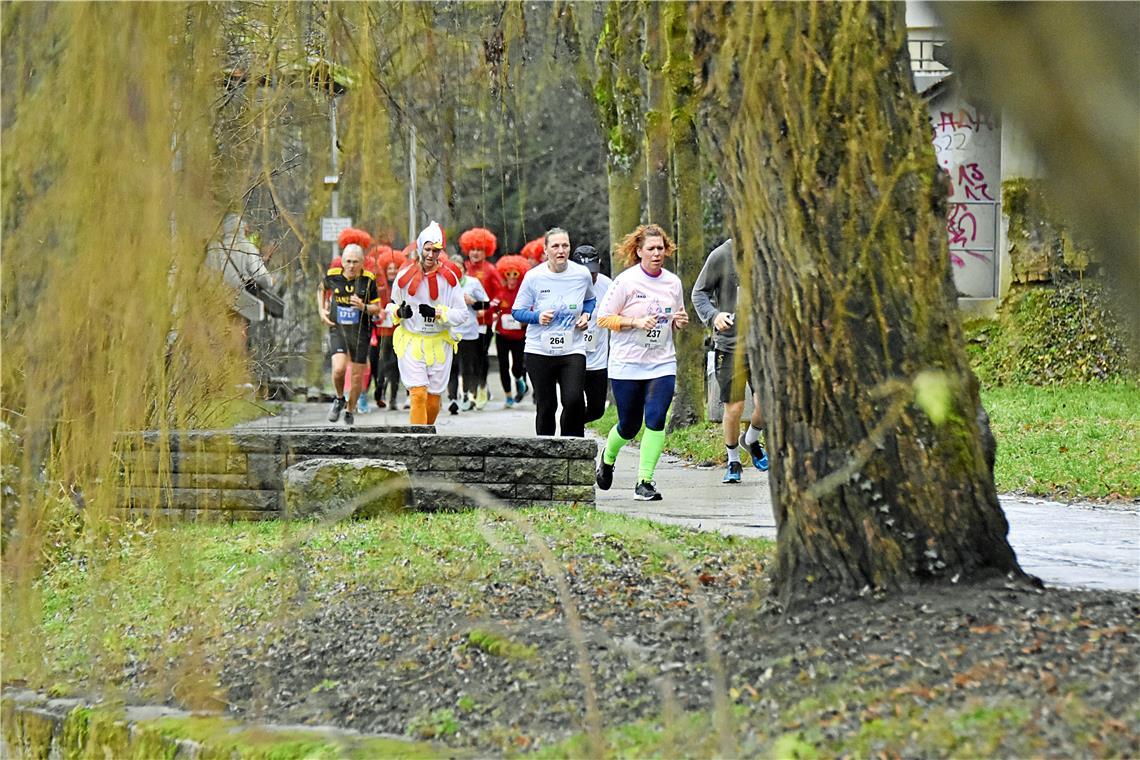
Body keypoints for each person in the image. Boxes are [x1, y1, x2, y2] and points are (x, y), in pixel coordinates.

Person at [595, 224, 688, 501]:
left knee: (657, 419)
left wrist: (679, 322)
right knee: (629, 425)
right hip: (627, 363)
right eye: (651, 248)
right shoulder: (626, 282)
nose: (657, 253)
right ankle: (608, 456)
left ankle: (644, 481)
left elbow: (676, 315)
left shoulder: (673, 283)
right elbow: (603, 318)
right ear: (639, 251)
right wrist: (635, 322)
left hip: (661, 362)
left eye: (661, 248)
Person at [691, 238, 769, 484]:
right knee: (734, 407)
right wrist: (714, 316)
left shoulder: (770, 249)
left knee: (768, 403)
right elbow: (699, 293)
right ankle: (733, 459)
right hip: (730, 345)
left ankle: (752, 440)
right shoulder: (722, 255)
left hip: (763, 344)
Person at [511, 228, 595, 437]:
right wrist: (537, 317)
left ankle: (572, 450)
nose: (561, 250)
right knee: (547, 405)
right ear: (545, 250)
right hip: (539, 349)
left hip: (572, 348)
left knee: (574, 400)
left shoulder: (581, 274)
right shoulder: (534, 277)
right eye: (555, 246)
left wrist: (586, 315)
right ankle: (546, 456)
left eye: (565, 245)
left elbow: (590, 300)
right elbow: (517, 311)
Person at [388, 221, 469, 425]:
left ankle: (427, 436)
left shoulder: (449, 279)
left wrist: (438, 313)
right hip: (412, 343)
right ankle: (416, 444)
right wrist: (399, 312)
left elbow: (462, 315)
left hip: (438, 345)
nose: (431, 255)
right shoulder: (403, 277)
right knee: (418, 394)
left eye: (436, 250)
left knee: (433, 401)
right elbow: (390, 306)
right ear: (420, 248)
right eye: (428, 249)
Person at [320, 240, 382, 426]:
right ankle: (339, 398)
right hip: (338, 329)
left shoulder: (368, 279)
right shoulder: (333, 275)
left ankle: (350, 409)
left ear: (362, 262)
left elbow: (377, 308)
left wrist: (363, 306)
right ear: (342, 261)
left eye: (355, 262)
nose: (351, 266)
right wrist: (322, 310)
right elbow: (321, 289)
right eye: (348, 261)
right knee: (338, 368)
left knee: (356, 377)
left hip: (360, 332)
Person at [459, 227, 503, 409]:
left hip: (484, 323)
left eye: (480, 249)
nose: (475, 253)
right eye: (473, 249)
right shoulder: (463, 269)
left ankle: (482, 386)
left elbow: (500, 293)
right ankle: (470, 392)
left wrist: (488, 309)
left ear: (487, 251)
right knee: (467, 359)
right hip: (466, 323)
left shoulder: (491, 270)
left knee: (481, 356)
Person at [570, 244, 613, 422]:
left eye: (593, 272)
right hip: (571, 356)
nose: (590, 277)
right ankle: (572, 435)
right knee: (573, 403)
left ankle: (572, 423)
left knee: (597, 410)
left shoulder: (608, 285)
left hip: (597, 359)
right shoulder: (566, 285)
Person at [447, 255, 490, 414]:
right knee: (452, 366)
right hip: (450, 332)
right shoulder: (445, 284)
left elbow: (486, 303)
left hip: (469, 332)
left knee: (467, 366)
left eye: (460, 269)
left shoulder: (473, 283)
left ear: (464, 270)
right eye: (453, 269)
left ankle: (466, 394)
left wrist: (472, 301)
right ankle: (452, 398)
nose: (457, 272)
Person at [493, 254, 532, 407]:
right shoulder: (500, 292)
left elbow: (531, 310)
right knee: (503, 365)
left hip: (519, 336)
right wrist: (490, 314)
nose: (511, 279)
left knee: (517, 365)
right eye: (508, 275)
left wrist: (525, 321)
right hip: (502, 335)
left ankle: (519, 379)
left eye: (515, 275)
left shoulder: (523, 293)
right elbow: (492, 308)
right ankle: (508, 396)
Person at [371, 245, 406, 410]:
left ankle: (392, 398)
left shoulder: (403, 287)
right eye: (389, 268)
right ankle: (379, 390)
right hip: (383, 331)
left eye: (395, 267)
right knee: (383, 363)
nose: (392, 270)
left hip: (399, 330)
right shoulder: (380, 287)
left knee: (396, 364)